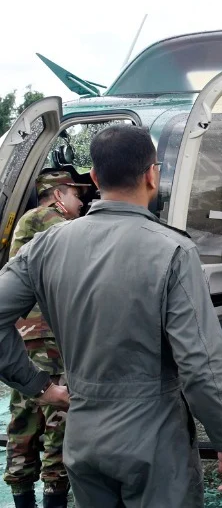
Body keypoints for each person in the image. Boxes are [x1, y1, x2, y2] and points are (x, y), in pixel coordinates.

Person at [0, 125, 222, 504]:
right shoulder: (173, 250)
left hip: (82, 435)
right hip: (155, 438)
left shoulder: (46, 245)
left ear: (95, 178)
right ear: (152, 174)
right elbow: (200, 362)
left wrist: (40, 387)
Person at [3, 169, 82, 508]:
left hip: (22, 335)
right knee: (58, 422)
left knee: (23, 419)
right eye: (77, 196)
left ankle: (22, 496)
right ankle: (55, 497)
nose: (81, 203)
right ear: (59, 195)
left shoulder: (26, 222)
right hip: (49, 337)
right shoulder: (53, 223)